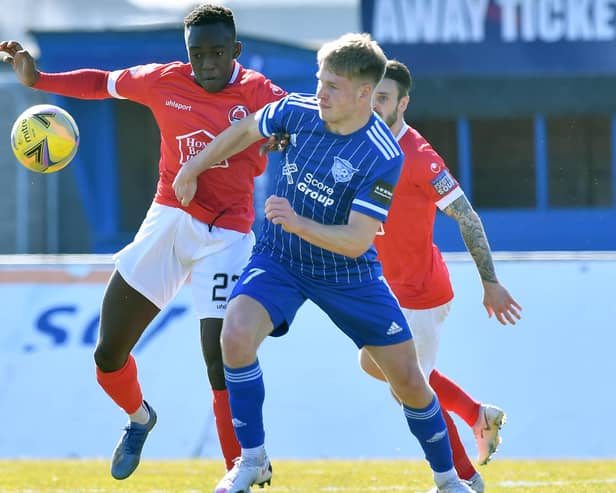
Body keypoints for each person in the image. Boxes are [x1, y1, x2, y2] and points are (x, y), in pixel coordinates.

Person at [173, 32, 475, 493]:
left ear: (364, 94)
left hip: (347, 273)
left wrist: (296, 221)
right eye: (320, 80)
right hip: (280, 259)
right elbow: (246, 129)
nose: (320, 92)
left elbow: (356, 240)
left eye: (332, 85)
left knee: (411, 380)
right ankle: (250, 460)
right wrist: (193, 167)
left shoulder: (382, 153)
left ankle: (449, 479)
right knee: (233, 336)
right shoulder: (298, 110)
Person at [1, 3, 286, 480]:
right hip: (169, 221)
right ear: (186, 53)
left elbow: (299, 119)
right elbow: (99, 83)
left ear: (235, 50)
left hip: (228, 235)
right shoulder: (162, 80)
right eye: (198, 54)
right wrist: (38, 80)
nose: (208, 64)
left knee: (220, 359)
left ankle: (241, 467)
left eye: (218, 53)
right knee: (108, 356)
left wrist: (284, 136)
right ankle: (140, 418)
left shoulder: (260, 93)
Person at [360, 59, 523, 493]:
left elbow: (466, 216)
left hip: (421, 296)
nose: (374, 105)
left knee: (410, 391)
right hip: (387, 291)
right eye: (370, 95)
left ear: (403, 103)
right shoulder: (361, 142)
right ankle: (475, 414)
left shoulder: (419, 157)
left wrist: (489, 281)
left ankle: (465, 479)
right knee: (377, 367)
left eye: (384, 98)